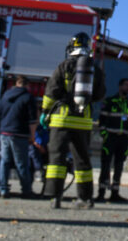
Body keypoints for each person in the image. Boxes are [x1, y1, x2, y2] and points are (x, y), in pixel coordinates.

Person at [42, 32, 105, 209]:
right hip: (83, 122)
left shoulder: (63, 66)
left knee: (57, 160)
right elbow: (100, 94)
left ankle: (55, 197)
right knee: (82, 161)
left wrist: (45, 112)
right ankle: (85, 198)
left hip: (61, 120)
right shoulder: (94, 68)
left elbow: (51, 92)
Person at [0, 75, 38, 199]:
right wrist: (32, 136)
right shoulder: (28, 97)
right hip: (19, 133)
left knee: (4, 162)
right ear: (27, 85)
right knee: (21, 163)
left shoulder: (5, 95)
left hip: (5, 132)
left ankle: (3, 189)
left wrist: (0, 128)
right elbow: (32, 119)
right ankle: (26, 190)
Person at [97, 77, 128, 202]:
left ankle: (115, 193)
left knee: (119, 166)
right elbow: (102, 119)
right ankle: (101, 193)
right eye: (126, 85)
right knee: (105, 165)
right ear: (120, 86)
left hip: (123, 139)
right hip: (110, 138)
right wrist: (104, 133)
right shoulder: (109, 101)